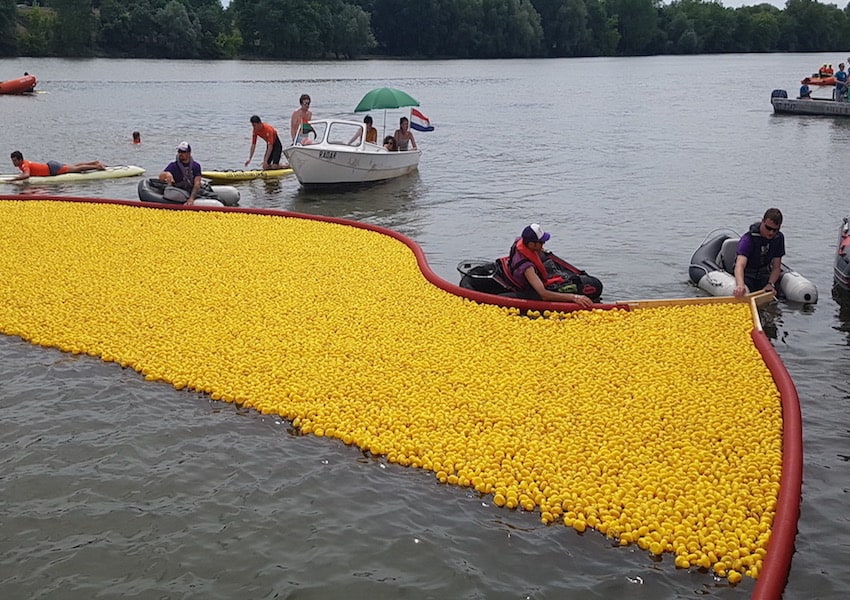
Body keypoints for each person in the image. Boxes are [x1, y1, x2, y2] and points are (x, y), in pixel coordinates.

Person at [504, 223, 594, 307]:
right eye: (541, 242)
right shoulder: (528, 268)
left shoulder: (520, 241)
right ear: (531, 244)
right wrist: (574, 297)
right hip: (527, 287)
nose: (544, 245)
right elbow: (544, 295)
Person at [733, 208, 785, 298]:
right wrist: (740, 285)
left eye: (775, 230)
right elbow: (740, 265)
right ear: (762, 221)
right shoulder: (748, 239)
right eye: (768, 228)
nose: (771, 232)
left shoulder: (778, 238)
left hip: (764, 274)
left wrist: (771, 283)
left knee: (778, 294)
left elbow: (776, 267)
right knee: (744, 292)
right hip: (747, 274)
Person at [9, 150, 105, 181]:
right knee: (73, 167)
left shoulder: (24, 165)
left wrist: (13, 179)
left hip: (52, 170)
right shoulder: (23, 164)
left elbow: (26, 175)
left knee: (76, 169)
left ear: (20, 159)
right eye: (12, 161)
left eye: (15, 161)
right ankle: (94, 162)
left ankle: (97, 167)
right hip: (51, 166)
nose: (13, 163)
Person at [158, 141, 202, 206]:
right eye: (179, 151)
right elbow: (161, 176)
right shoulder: (173, 166)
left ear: (189, 153)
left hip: (191, 190)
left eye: (183, 152)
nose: (180, 154)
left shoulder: (196, 166)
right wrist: (167, 175)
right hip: (179, 192)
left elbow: (197, 183)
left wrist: (191, 198)